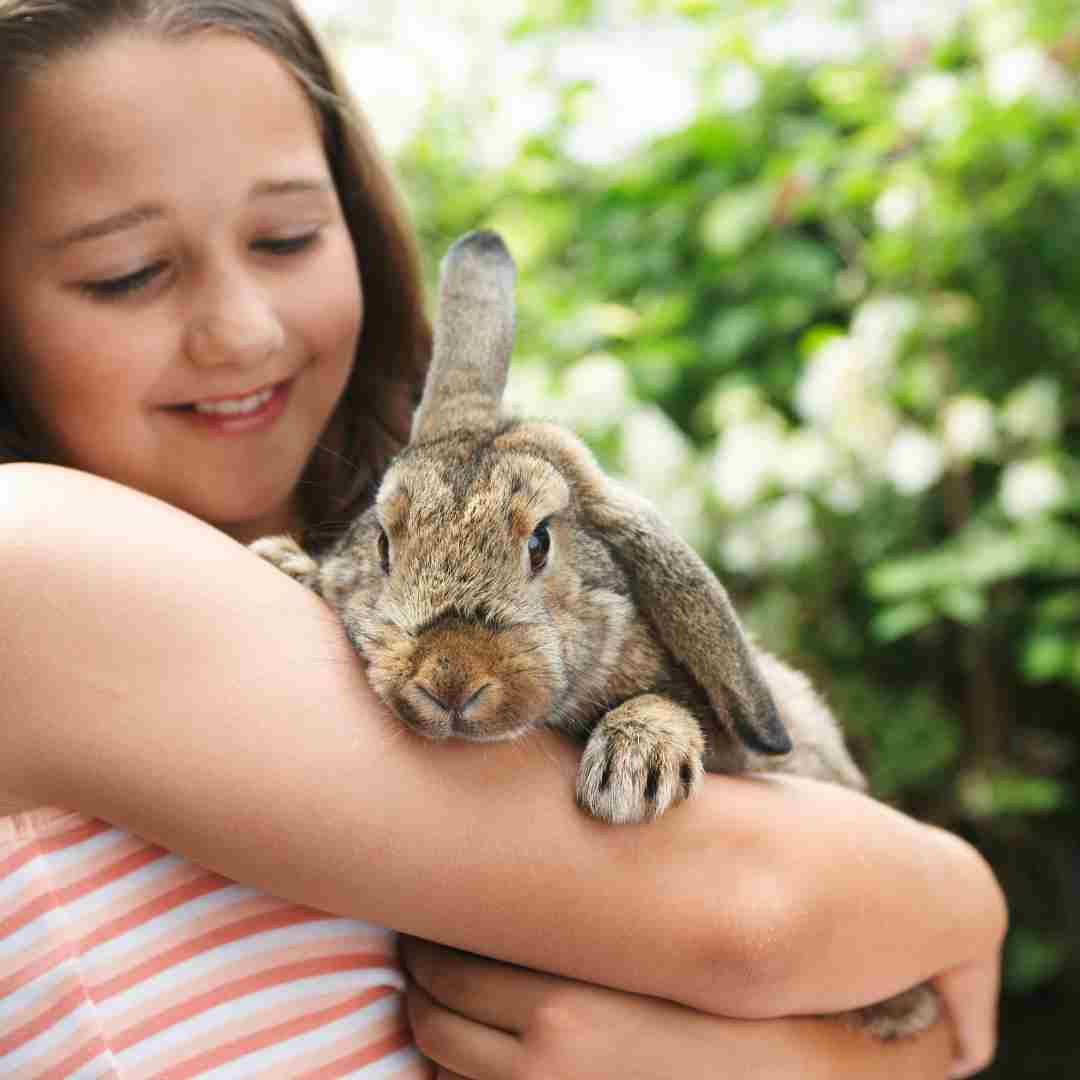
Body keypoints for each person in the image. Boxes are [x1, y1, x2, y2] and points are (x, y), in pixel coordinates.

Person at [0, 1, 1006, 1077]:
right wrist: (961, 901)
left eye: (287, 237)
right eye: (126, 273)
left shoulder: (412, 543)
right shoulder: (32, 559)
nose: (243, 330)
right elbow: (762, 920)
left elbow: (924, 1029)